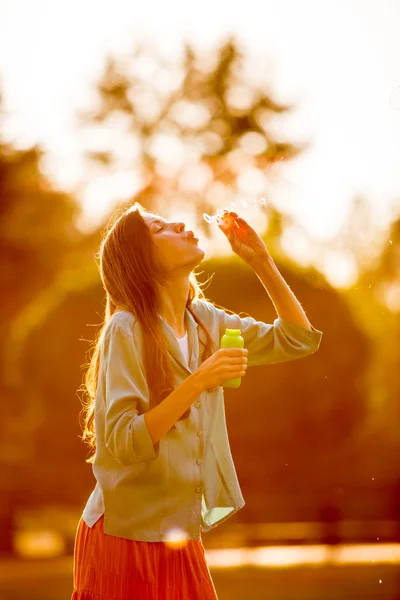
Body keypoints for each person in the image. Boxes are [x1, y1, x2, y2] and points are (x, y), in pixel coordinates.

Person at [71, 202, 323, 600]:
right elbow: (123, 442)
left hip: (179, 536)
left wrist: (261, 261)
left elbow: (297, 338)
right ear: (142, 260)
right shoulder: (127, 328)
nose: (180, 224)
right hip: (123, 536)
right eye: (160, 229)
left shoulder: (206, 321)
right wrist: (200, 379)